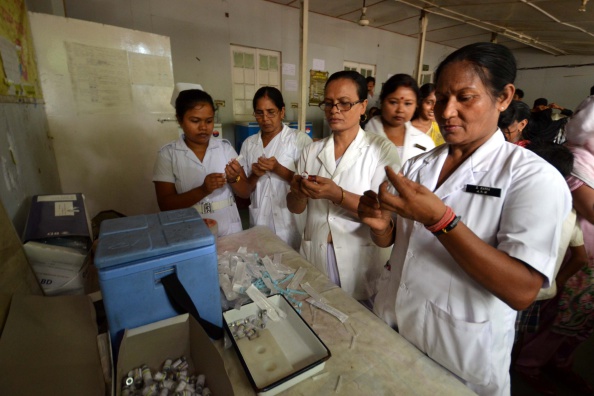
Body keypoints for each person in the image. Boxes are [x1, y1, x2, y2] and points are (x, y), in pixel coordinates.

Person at [359, 42, 571, 395]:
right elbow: (402, 243)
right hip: (394, 328)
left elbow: (522, 290)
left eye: (465, 97)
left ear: (503, 98)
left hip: (458, 352)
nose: (447, 111)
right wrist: (382, 229)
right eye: (440, 98)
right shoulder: (419, 164)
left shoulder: (532, 178)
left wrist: (442, 221)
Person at [287, 70, 401, 302]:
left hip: (359, 258)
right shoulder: (312, 150)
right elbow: (295, 207)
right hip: (315, 253)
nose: (334, 110)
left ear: (363, 106)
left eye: (344, 103)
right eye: (329, 103)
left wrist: (337, 194)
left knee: (359, 324)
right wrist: (298, 193)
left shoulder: (381, 150)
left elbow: (382, 213)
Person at [515, 95, 594, 395]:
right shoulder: (574, 161)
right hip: (571, 260)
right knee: (555, 318)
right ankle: (530, 364)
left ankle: (559, 363)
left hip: (580, 259)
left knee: (577, 323)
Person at [153, 89, 250, 237]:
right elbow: (165, 205)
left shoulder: (224, 148)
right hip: (190, 230)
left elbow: (245, 192)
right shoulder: (168, 154)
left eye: (209, 121)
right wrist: (203, 190)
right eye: (195, 121)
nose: (203, 127)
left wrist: (234, 179)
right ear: (179, 120)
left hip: (229, 229)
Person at [239, 86, 312, 250]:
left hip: (290, 219)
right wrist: (255, 175)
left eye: (271, 112)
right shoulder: (249, 144)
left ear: (282, 112)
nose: (265, 118)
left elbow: (308, 183)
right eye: (259, 113)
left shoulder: (299, 140)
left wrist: (278, 168)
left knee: (294, 266)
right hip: (260, 219)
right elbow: (246, 188)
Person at [365, 74, 435, 165]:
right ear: (382, 101)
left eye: (408, 103)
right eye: (393, 102)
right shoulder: (363, 139)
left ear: (417, 105)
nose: (400, 110)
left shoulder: (425, 143)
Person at [411, 82, 445, 146]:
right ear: (419, 103)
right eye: (429, 102)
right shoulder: (409, 129)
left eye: (437, 103)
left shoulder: (440, 127)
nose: (433, 108)